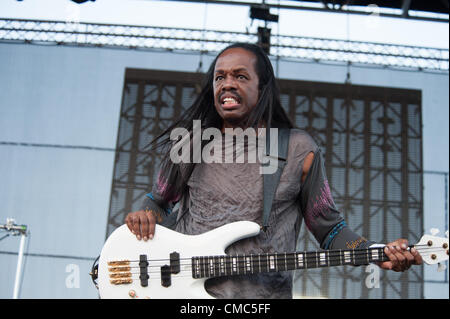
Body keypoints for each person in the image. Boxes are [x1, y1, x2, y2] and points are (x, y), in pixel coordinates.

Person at [124, 42, 422, 298]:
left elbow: (329, 229)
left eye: (240, 76)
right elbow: (159, 202)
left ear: (262, 87)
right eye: (220, 77)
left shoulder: (297, 150)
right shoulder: (189, 144)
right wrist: (145, 216)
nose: (227, 84)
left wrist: (375, 252)